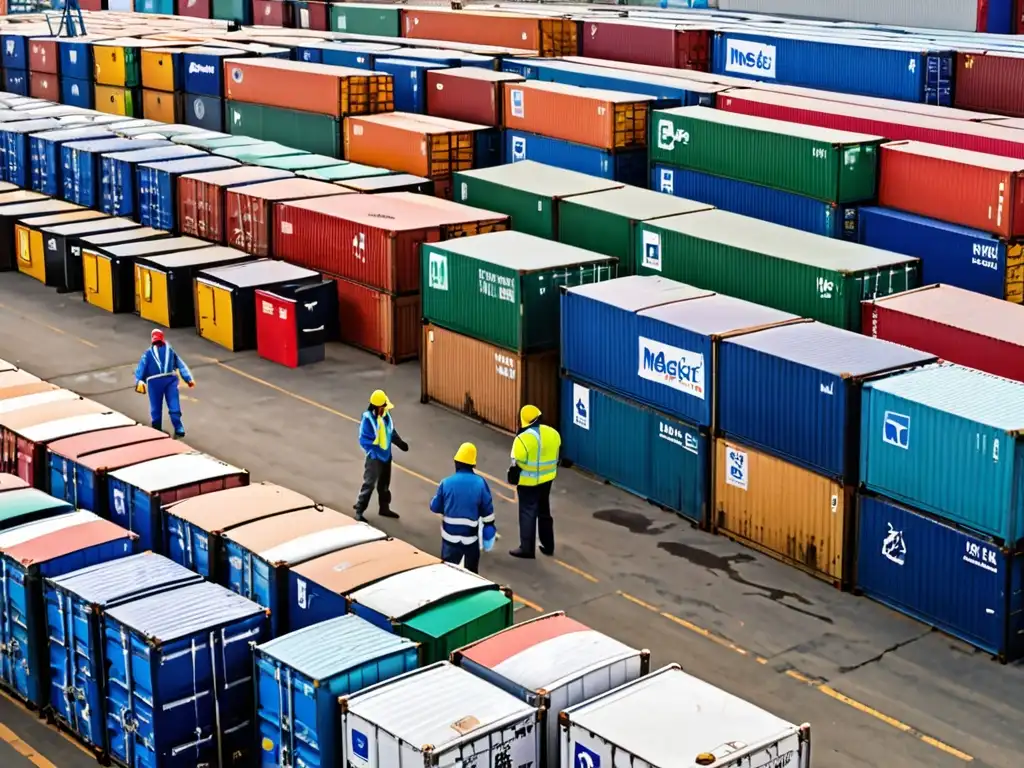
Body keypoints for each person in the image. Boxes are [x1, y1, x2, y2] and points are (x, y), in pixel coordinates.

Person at [429, 442, 496, 574]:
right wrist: (489, 535)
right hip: (470, 539)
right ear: (473, 464)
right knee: (471, 575)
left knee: (447, 573)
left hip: (449, 538)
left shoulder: (446, 483)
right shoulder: (480, 483)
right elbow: (488, 515)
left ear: (456, 462)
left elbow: (435, 507)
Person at [507, 404, 561, 559]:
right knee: (544, 511)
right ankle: (548, 545)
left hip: (528, 483)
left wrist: (513, 476)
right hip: (547, 480)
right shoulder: (553, 433)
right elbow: (557, 456)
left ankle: (527, 549)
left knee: (527, 513)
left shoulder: (522, 439)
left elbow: (516, 463)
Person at [354, 389, 408, 522]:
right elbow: (363, 439)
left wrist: (400, 443)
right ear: (377, 406)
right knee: (369, 484)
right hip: (374, 457)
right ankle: (359, 510)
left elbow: (391, 432)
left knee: (384, 484)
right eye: (383, 406)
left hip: (386, 456)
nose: (385, 408)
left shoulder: (386, 416)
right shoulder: (368, 420)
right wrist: (372, 451)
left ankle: (384, 508)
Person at [134, 329, 194, 438]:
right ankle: (157, 428)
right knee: (155, 407)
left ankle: (178, 426)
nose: (157, 344)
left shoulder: (170, 350)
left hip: (170, 380)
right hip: (154, 381)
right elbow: (141, 367)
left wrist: (188, 378)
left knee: (174, 404)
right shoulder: (148, 354)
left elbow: (180, 364)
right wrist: (139, 380)